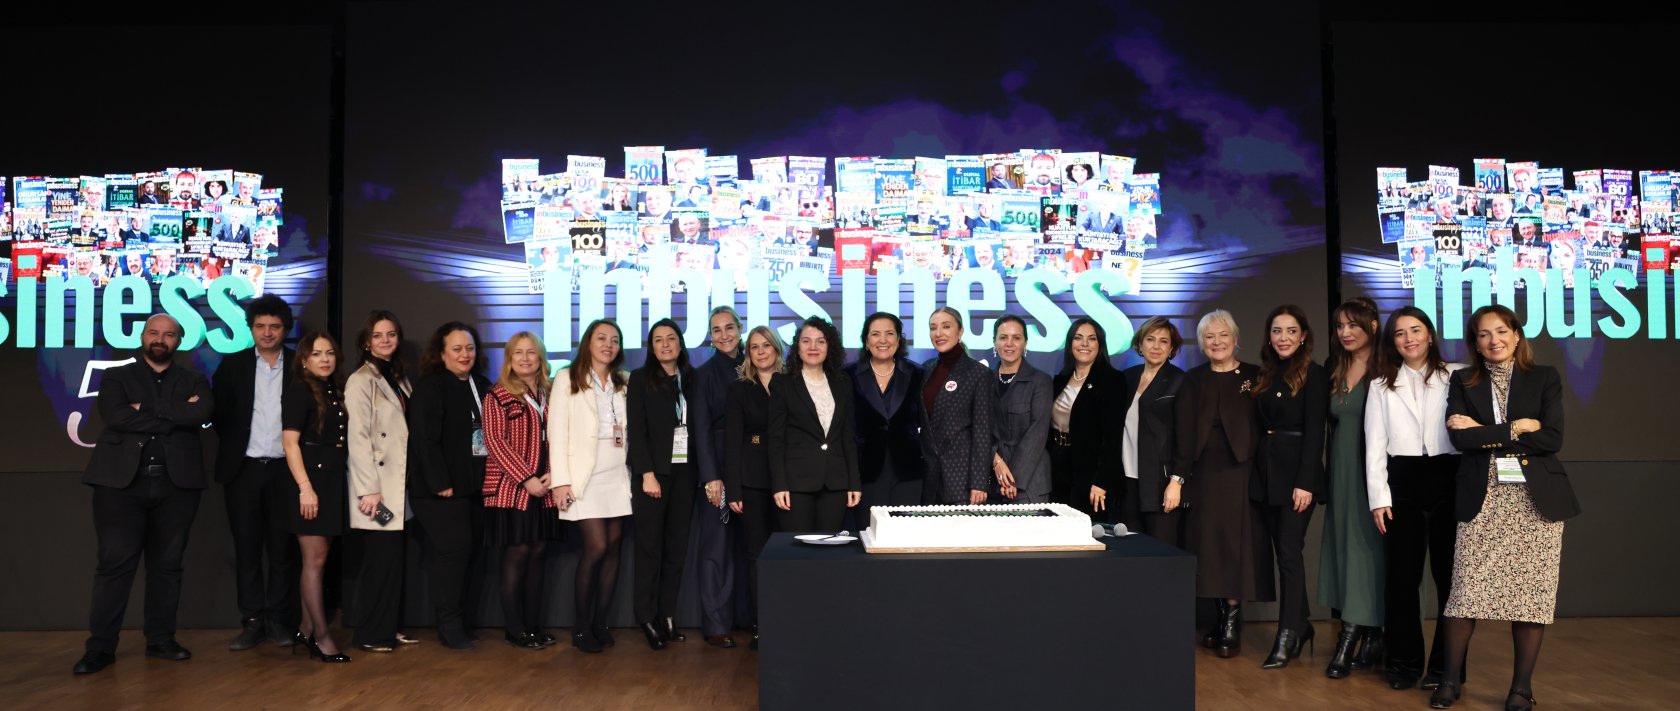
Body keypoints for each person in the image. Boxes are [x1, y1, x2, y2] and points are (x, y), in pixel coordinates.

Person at [1431, 305, 1579, 711]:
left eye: (1501, 331)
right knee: (1464, 595)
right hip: (1483, 498)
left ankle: (1521, 688)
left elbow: (1551, 439)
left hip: (1534, 504)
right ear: (1474, 342)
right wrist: (1515, 429)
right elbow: (1460, 442)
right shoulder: (1463, 380)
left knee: (1530, 597)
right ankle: (1448, 681)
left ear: (1516, 335)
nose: (1493, 340)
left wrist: (1484, 433)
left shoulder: (1544, 377)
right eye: (1483, 334)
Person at [72, 314, 214, 675]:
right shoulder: (117, 375)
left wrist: (147, 408)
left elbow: (202, 412)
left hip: (176, 486)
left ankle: (161, 640)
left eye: (169, 335)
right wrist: (176, 413)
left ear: (178, 341)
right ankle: (100, 648)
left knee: (167, 568)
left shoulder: (194, 379)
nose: (160, 339)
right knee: (114, 567)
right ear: (143, 335)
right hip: (120, 485)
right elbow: (117, 417)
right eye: (154, 332)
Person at [1366, 306, 1465, 692]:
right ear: (1392, 342)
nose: (1409, 339)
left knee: (1451, 581)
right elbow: (1374, 445)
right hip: (1401, 483)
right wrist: (1379, 498)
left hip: (1449, 479)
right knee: (1401, 580)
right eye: (1400, 333)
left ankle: (1447, 668)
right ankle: (1404, 664)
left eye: (1416, 330)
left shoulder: (1457, 375)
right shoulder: (1379, 384)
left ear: (1429, 334)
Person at [1175, 309, 1270, 660]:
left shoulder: (1256, 376)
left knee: (1236, 547)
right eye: (1209, 337)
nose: (1216, 342)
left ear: (1235, 338)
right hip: (1203, 475)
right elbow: (1183, 432)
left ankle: (1232, 621)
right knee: (1210, 548)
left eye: (1222, 335)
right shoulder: (1193, 378)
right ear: (1201, 343)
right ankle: (1221, 618)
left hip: (1241, 474)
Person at [209, 294, 298, 652]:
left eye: (274, 326)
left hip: (285, 471)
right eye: (260, 326)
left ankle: (277, 620)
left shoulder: (300, 365)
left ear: (285, 329)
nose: (267, 332)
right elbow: (221, 416)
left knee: (282, 550)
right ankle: (251, 621)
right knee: (246, 549)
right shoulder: (233, 365)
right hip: (243, 470)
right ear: (251, 328)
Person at [1251, 304, 1329, 669]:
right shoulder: (1264, 374)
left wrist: (1305, 482)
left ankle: (1287, 634)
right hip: (1266, 475)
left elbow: (1316, 432)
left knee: (1288, 553)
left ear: (1303, 337)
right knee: (1280, 551)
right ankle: (1301, 625)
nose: (1283, 338)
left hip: (1297, 477)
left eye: (1291, 331)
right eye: (1277, 330)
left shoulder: (1312, 375)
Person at [406, 323, 493, 650]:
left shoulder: (481, 385)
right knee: (452, 557)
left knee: (469, 556)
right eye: (456, 349)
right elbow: (424, 441)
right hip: (440, 492)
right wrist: (440, 482)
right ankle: (449, 625)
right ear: (441, 354)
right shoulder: (431, 387)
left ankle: (463, 621)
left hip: (473, 488)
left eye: (469, 348)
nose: (464, 354)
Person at [548, 319, 633, 653]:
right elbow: (557, 433)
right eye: (601, 338)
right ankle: (581, 627)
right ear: (588, 342)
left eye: (614, 339)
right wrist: (561, 481)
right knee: (595, 548)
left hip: (617, 472)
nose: (608, 345)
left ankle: (601, 622)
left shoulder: (623, 381)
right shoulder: (567, 377)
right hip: (585, 474)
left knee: (613, 548)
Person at [481, 331, 563, 650]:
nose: (525, 358)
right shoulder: (498, 394)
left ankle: (534, 625)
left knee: (538, 554)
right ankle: (515, 629)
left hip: (546, 489)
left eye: (531, 353)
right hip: (511, 491)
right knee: (517, 554)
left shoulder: (551, 392)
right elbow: (495, 441)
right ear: (509, 359)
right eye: (518, 353)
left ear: (541, 358)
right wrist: (527, 477)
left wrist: (553, 475)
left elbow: (561, 435)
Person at [1317, 299, 1385, 679]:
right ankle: (1369, 632)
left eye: (1353, 325)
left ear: (1373, 326)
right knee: (1347, 547)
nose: (1345, 332)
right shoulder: (1334, 366)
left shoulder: (1388, 365)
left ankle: (1352, 635)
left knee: (1370, 549)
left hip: (1376, 471)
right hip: (1342, 469)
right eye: (1340, 326)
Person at [345, 310, 416, 654]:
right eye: (377, 335)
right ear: (365, 341)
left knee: (393, 561)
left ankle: (388, 628)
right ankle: (371, 633)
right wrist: (368, 489)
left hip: (398, 485)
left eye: (391, 334)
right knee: (379, 562)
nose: (385, 340)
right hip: (377, 490)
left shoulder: (399, 378)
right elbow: (358, 438)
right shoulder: (361, 380)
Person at [626, 318, 698, 650]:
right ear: (651, 347)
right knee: (649, 549)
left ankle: (667, 615)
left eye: (671, 338)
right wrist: (646, 473)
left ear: (680, 344)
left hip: (685, 475)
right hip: (654, 476)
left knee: (676, 550)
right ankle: (647, 617)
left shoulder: (692, 380)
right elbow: (636, 431)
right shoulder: (640, 380)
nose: (665, 344)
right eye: (658, 340)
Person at [281, 330, 352, 663]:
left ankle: (305, 629)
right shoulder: (299, 390)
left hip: (333, 480)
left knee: (320, 559)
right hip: (310, 481)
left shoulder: (333, 389)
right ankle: (322, 637)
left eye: (329, 353)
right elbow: (290, 443)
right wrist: (305, 488)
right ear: (304, 360)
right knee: (315, 560)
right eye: (317, 354)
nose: (325, 359)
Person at [769, 317, 862, 532]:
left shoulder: (843, 383)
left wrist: (853, 482)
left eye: (820, 341)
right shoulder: (783, 384)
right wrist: (779, 484)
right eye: (806, 341)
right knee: (798, 555)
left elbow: (848, 436)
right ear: (797, 347)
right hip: (795, 484)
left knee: (828, 555)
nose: (813, 347)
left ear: (829, 347)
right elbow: (776, 440)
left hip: (836, 483)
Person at [724, 326, 785, 650]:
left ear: (777, 349)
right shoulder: (739, 390)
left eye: (766, 346)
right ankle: (762, 625)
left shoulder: (793, 384)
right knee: (756, 555)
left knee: (788, 554)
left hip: (789, 479)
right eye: (754, 347)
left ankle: (786, 620)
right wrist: (733, 489)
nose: (760, 352)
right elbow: (732, 441)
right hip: (752, 480)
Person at [689, 307, 748, 649]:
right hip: (720, 471)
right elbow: (700, 429)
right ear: (710, 336)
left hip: (753, 467)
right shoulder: (705, 374)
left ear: (740, 329)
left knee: (751, 548)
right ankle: (716, 624)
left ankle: (752, 618)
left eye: (729, 327)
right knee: (717, 549)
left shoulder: (758, 363)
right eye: (717, 330)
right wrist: (712, 477)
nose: (724, 334)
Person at [842, 312, 925, 518]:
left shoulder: (917, 373)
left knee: (905, 540)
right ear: (866, 340)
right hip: (865, 471)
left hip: (908, 471)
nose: (883, 340)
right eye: (875, 334)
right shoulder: (848, 375)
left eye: (889, 333)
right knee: (869, 537)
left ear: (898, 339)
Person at [1118, 316, 1187, 545]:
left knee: (1160, 555)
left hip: (1161, 486)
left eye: (1163, 341)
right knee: (1128, 554)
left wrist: (1176, 483)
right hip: (1127, 484)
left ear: (1171, 348)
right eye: (1150, 339)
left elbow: (1187, 439)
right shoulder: (1127, 378)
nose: (1156, 346)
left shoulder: (1180, 381)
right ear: (1140, 343)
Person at [1049, 317, 1126, 517]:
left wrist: (1102, 482)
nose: (1084, 344)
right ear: (1070, 343)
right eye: (1078, 338)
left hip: (1091, 475)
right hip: (1059, 468)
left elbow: (1112, 438)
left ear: (1099, 344)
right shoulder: (1060, 379)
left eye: (1091, 339)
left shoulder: (1112, 381)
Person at [918, 307, 995, 505]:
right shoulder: (926, 369)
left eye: (946, 326)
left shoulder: (978, 373)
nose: (938, 333)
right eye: (933, 328)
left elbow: (982, 432)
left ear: (960, 332)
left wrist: (978, 483)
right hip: (928, 478)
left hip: (962, 481)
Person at [988, 315, 1052, 503]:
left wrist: (1013, 479)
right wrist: (995, 460)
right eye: (1003, 337)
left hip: (1028, 483)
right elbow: (979, 429)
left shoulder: (1040, 381)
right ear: (994, 342)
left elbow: (1037, 433)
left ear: (1025, 343)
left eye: (1016, 338)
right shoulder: (983, 381)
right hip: (990, 481)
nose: (1009, 343)